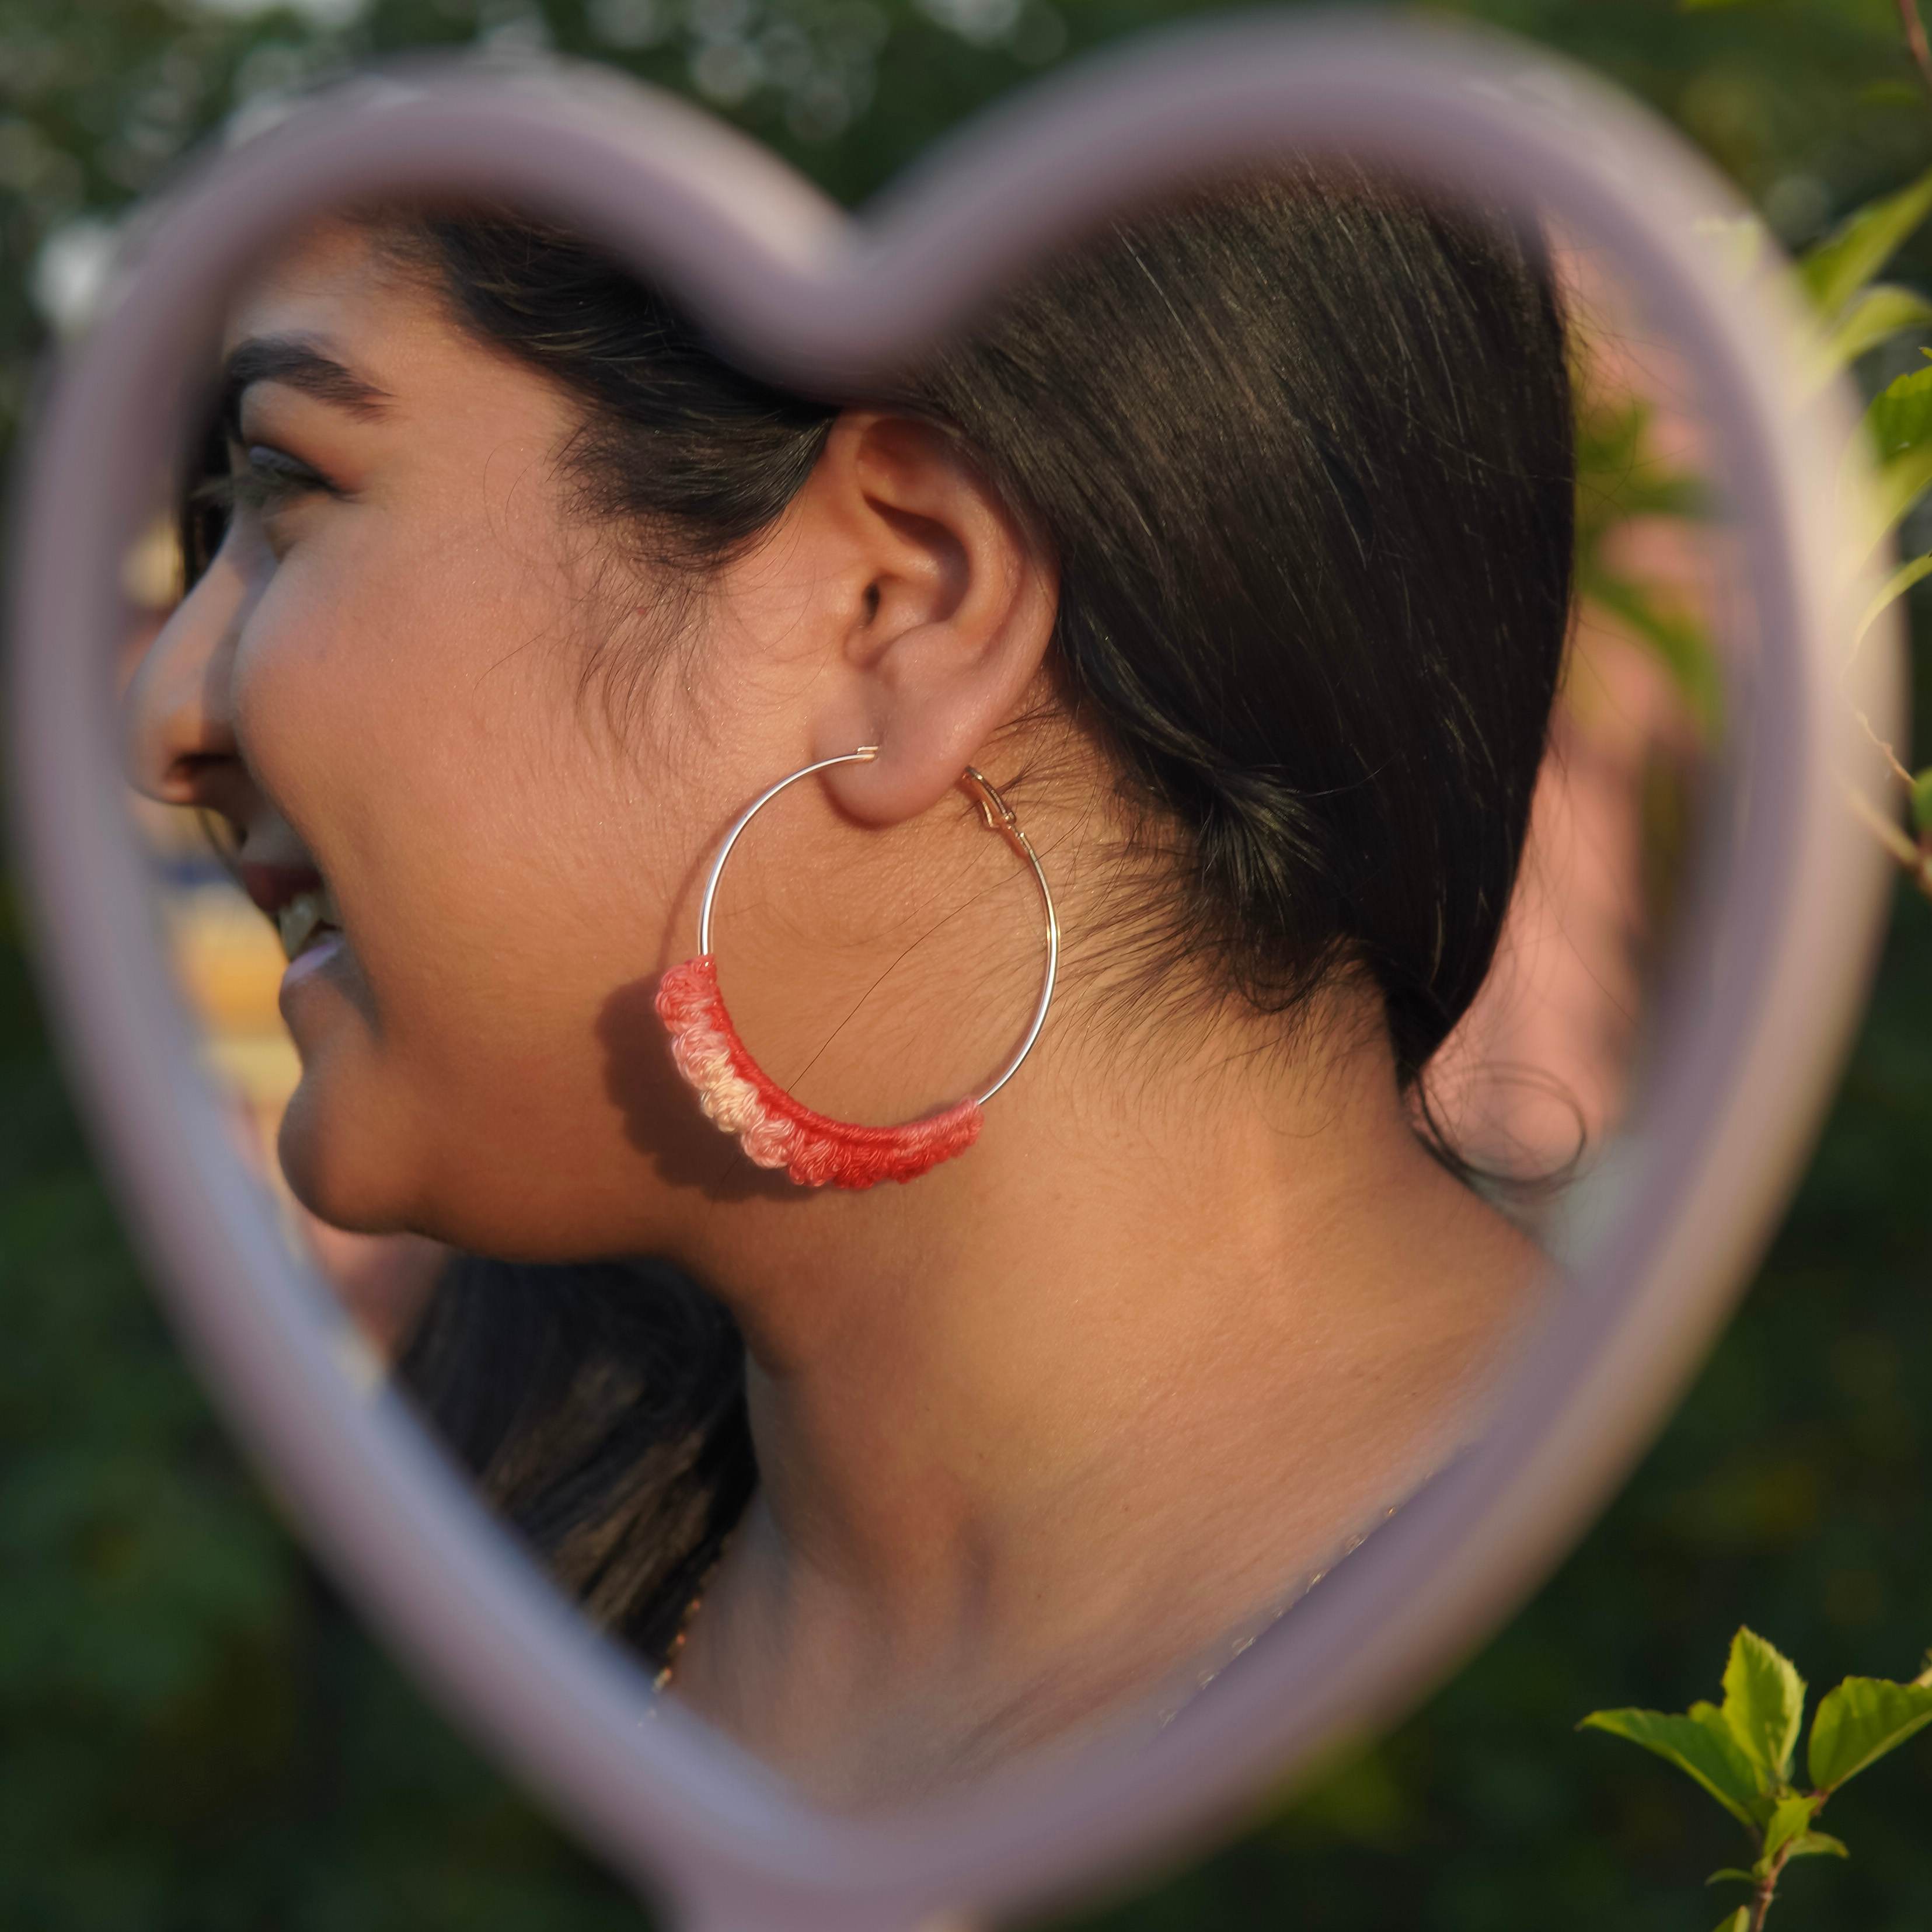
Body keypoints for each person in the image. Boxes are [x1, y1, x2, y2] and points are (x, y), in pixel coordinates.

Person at [123, 162, 1575, 1809]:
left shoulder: (1718, 1699)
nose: (166, 716)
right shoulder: (499, 1591)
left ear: (905, 606)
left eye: (288, 487)